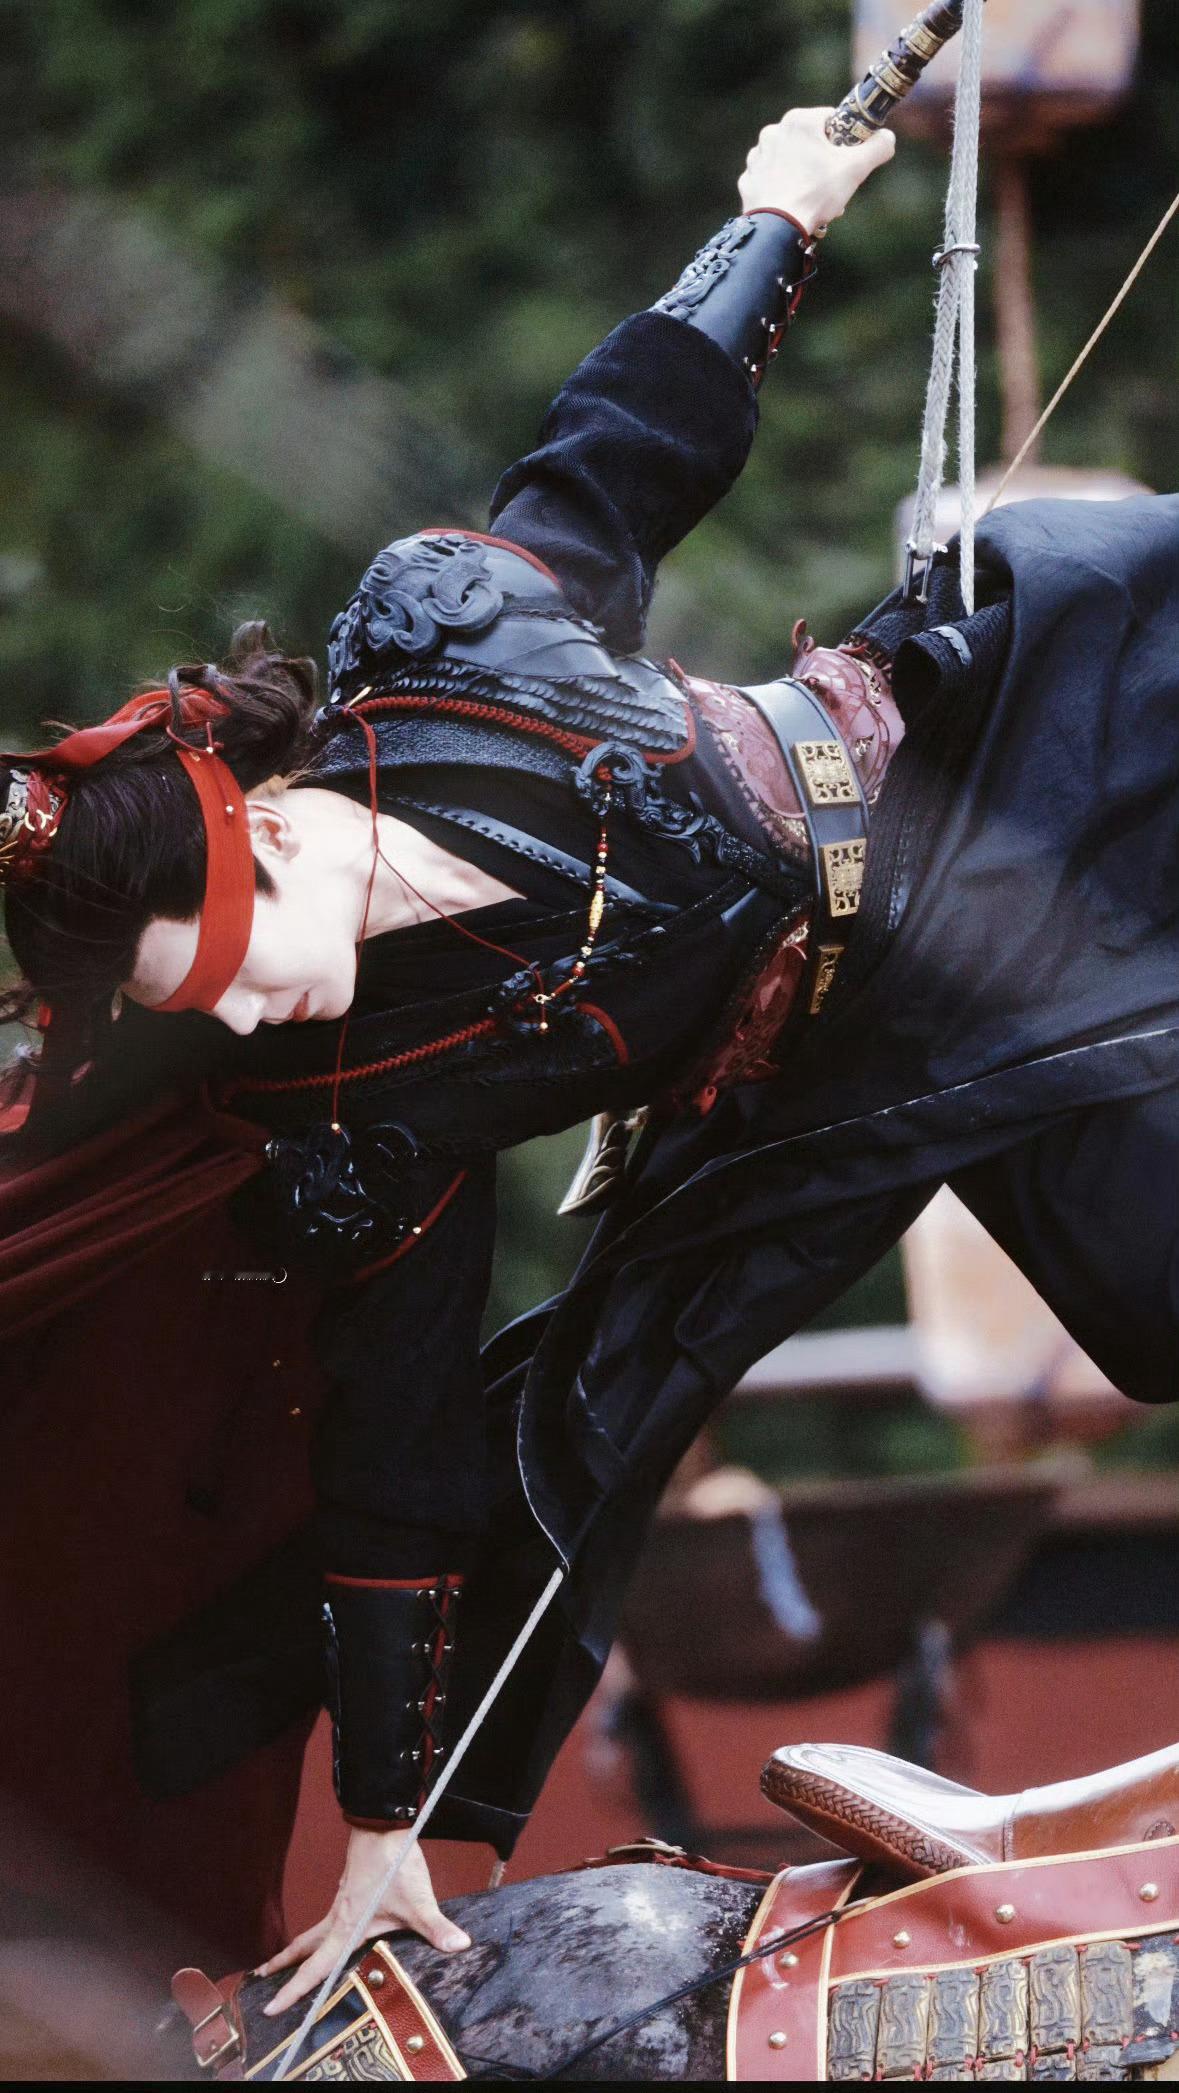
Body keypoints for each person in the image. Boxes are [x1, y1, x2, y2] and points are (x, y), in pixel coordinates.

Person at [4, 92, 1179, 2012]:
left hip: (978, 753)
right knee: (1155, 1294)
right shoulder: (357, 1102)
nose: (251, 1011)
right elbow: (396, 1447)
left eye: (229, 959)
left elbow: (620, 445)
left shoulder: (450, 645)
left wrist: (782, 211)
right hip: (851, 1068)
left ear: (261, 829)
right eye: (198, 1008)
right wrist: (381, 1818)